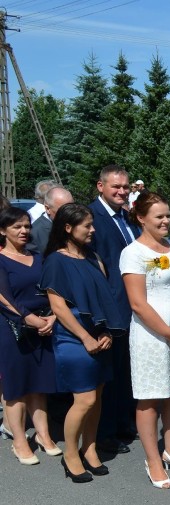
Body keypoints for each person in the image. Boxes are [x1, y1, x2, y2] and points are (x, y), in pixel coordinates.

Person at [41, 203, 126, 483]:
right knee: (85, 398)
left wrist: (105, 333)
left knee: (98, 396)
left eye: (92, 224)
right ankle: (70, 455)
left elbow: (104, 298)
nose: (93, 230)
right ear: (68, 228)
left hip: (98, 335)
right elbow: (59, 308)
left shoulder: (92, 257)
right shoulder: (56, 260)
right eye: (86, 226)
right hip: (73, 337)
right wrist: (86, 337)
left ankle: (89, 449)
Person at [120, 192, 170, 489]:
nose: (166, 220)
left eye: (167, 215)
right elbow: (138, 304)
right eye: (159, 216)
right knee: (150, 397)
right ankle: (153, 459)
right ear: (141, 218)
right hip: (152, 336)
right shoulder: (133, 253)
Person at [0, 207, 58, 465]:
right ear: (3, 231)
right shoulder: (1, 259)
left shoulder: (38, 257)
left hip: (44, 325)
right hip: (13, 329)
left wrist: (54, 316)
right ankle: (19, 440)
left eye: (26, 226)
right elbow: (2, 297)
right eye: (17, 227)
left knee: (39, 383)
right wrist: (28, 318)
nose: (24, 231)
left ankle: (44, 436)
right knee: (16, 387)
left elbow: (53, 289)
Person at [89, 165, 140, 454]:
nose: (122, 192)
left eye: (125, 187)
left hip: (133, 307)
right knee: (109, 375)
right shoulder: (91, 217)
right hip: (111, 309)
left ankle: (124, 423)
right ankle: (105, 433)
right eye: (115, 187)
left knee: (126, 372)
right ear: (100, 187)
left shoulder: (126, 216)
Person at [28, 186, 73, 254]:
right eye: (64, 209)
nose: (70, 213)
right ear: (48, 209)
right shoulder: (34, 234)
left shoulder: (74, 225)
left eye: (72, 208)